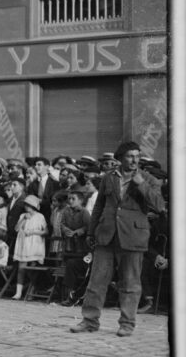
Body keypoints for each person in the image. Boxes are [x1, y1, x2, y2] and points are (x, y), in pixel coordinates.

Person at [70, 141, 166, 337]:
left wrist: (140, 184)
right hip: (106, 236)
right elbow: (99, 206)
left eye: (137, 156)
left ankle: (127, 324)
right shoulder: (108, 178)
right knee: (96, 282)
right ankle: (89, 321)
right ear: (120, 157)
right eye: (130, 156)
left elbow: (159, 205)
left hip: (133, 237)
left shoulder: (148, 179)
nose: (134, 160)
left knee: (130, 283)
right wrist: (91, 231)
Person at [58, 185, 92, 305]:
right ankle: (68, 294)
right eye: (69, 199)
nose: (70, 201)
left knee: (73, 265)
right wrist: (66, 230)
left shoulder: (84, 212)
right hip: (69, 246)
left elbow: (88, 227)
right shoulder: (66, 211)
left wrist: (77, 232)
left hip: (81, 248)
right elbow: (61, 224)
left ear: (81, 201)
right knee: (68, 265)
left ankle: (76, 295)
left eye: (73, 199)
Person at [11, 194, 48, 300]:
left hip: (35, 244)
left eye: (29, 205)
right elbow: (17, 229)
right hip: (23, 245)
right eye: (26, 205)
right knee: (21, 269)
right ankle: (18, 293)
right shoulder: (22, 215)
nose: (26, 207)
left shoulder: (40, 216)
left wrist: (34, 232)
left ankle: (31, 290)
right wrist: (23, 219)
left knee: (32, 269)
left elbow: (46, 231)